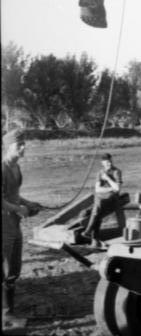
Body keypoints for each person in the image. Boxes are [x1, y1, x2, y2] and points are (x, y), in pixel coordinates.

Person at [2, 129, 42, 329]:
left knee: (14, 270)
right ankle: (5, 316)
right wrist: (19, 209)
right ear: (8, 146)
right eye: (19, 145)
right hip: (3, 226)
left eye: (24, 143)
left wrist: (29, 203)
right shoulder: (2, 168)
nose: (24, 147)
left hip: (14, 224)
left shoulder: (16, 167)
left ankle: (9, 313)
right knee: (4, 270)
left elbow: (13, 195)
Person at [82, 153, 125, 248]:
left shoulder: (116, 171)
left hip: (112, 198)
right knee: (93, 212)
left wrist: (108, 179)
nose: (109, 163)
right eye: (107, 162)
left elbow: (117, 189)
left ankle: (89, 231)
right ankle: (93, 238)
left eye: (110, 161)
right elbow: (97, 189)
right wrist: (110, 188)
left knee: (97, 209)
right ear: (102, 163)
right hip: (101, 196)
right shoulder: (100, 172)